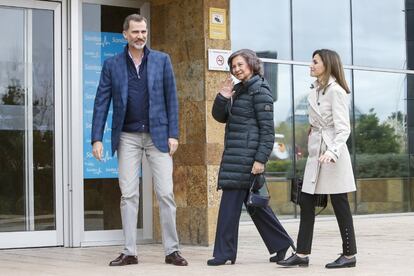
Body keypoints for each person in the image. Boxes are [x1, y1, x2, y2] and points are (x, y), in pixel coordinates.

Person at [91, 14, 188, 267]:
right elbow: (101, 102)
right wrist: (96, 139)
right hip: (127, 137)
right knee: (128, 195)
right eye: (135, 32)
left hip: (158, 135)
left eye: (143, 32)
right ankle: (129, 251)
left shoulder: (161, 61)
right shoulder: (112, 65)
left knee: (166, 193)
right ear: (125, 34)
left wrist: (173, 134)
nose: (140, 36)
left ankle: (172, 251)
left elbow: (171, 100)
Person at [207, 49, 295, 266]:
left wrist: (260, 160)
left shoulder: (260, 91)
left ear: (252, 64)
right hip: (236, 156)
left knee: (230, 207)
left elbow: (268, 131)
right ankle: (281, 244)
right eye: (233, 66)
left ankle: (224, 253)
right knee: (256, 205)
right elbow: (220, 117)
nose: (236, 69)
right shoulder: (239, 90)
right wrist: (223, 97)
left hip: (246, 159)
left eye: (240, 64)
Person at [277, 49, 357, 269]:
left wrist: (331, 152)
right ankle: (302, 253)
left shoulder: (336, 91)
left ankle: (349, 255)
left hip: (333, 155)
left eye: (315, 62)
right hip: (316, 154)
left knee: (340, 203)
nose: (310, 65)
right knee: (306, 201)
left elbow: (344, 129)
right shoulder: (316, 90)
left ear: (327, 65)